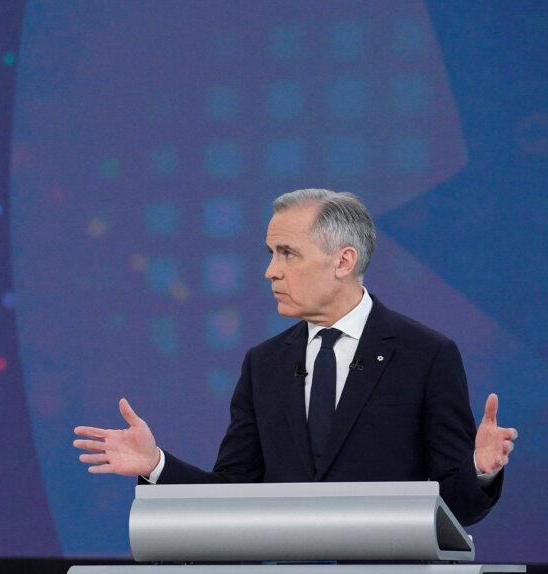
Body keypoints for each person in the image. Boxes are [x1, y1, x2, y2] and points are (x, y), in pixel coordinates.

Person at [73, 189, 516, 525]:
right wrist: (157, 466)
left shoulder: (426, 357)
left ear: (344, 261)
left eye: (287, 253)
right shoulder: (264, 364)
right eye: (271, 254)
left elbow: (456, 506)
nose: (271, 270)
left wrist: (478, 470)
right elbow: (233, 494)